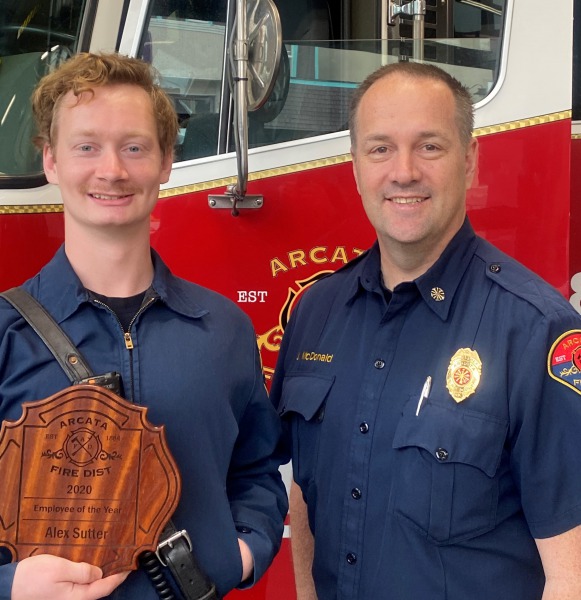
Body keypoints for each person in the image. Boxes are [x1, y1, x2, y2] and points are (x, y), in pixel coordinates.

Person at [270, 61, 581, 599]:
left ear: (470, 159)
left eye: (430, 146)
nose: (404, 171)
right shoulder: (316, 313)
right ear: (355, 165)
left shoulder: (537, 330)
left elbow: (571, 570)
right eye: (380, 148)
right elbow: (303, 492)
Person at [0, 52, 288, 599]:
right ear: (52, 162)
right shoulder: (3, 332)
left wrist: (241, 553)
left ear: (165, 163)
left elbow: (257, 471)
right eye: (86, 146)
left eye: (134, 147)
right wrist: (10, 585)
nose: (112, 170)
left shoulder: (224, 330)